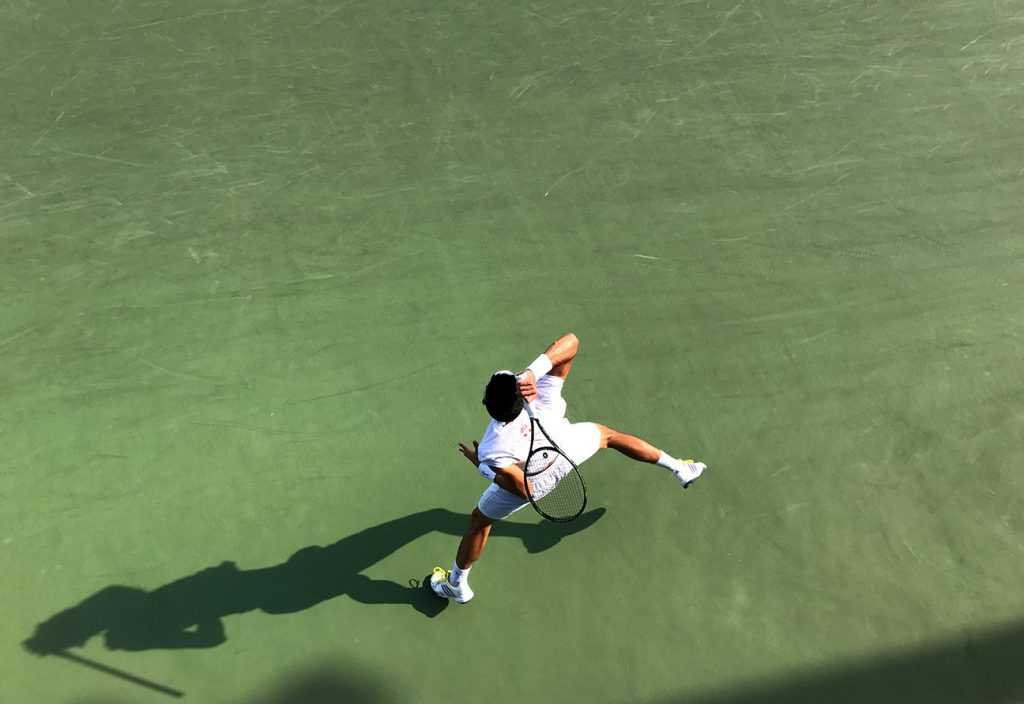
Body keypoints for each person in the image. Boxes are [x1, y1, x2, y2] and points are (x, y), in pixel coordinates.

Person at [430, 332, 706, 603]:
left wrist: (482, 466)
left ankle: (456, 585)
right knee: (609, 437)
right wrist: (533, 372)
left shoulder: (492, 448)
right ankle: (680, 468)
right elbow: (571, 342)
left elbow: (525, 490)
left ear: (485, 404)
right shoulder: (540, 392)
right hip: (566, 447)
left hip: (536, 478)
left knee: (480, 520)